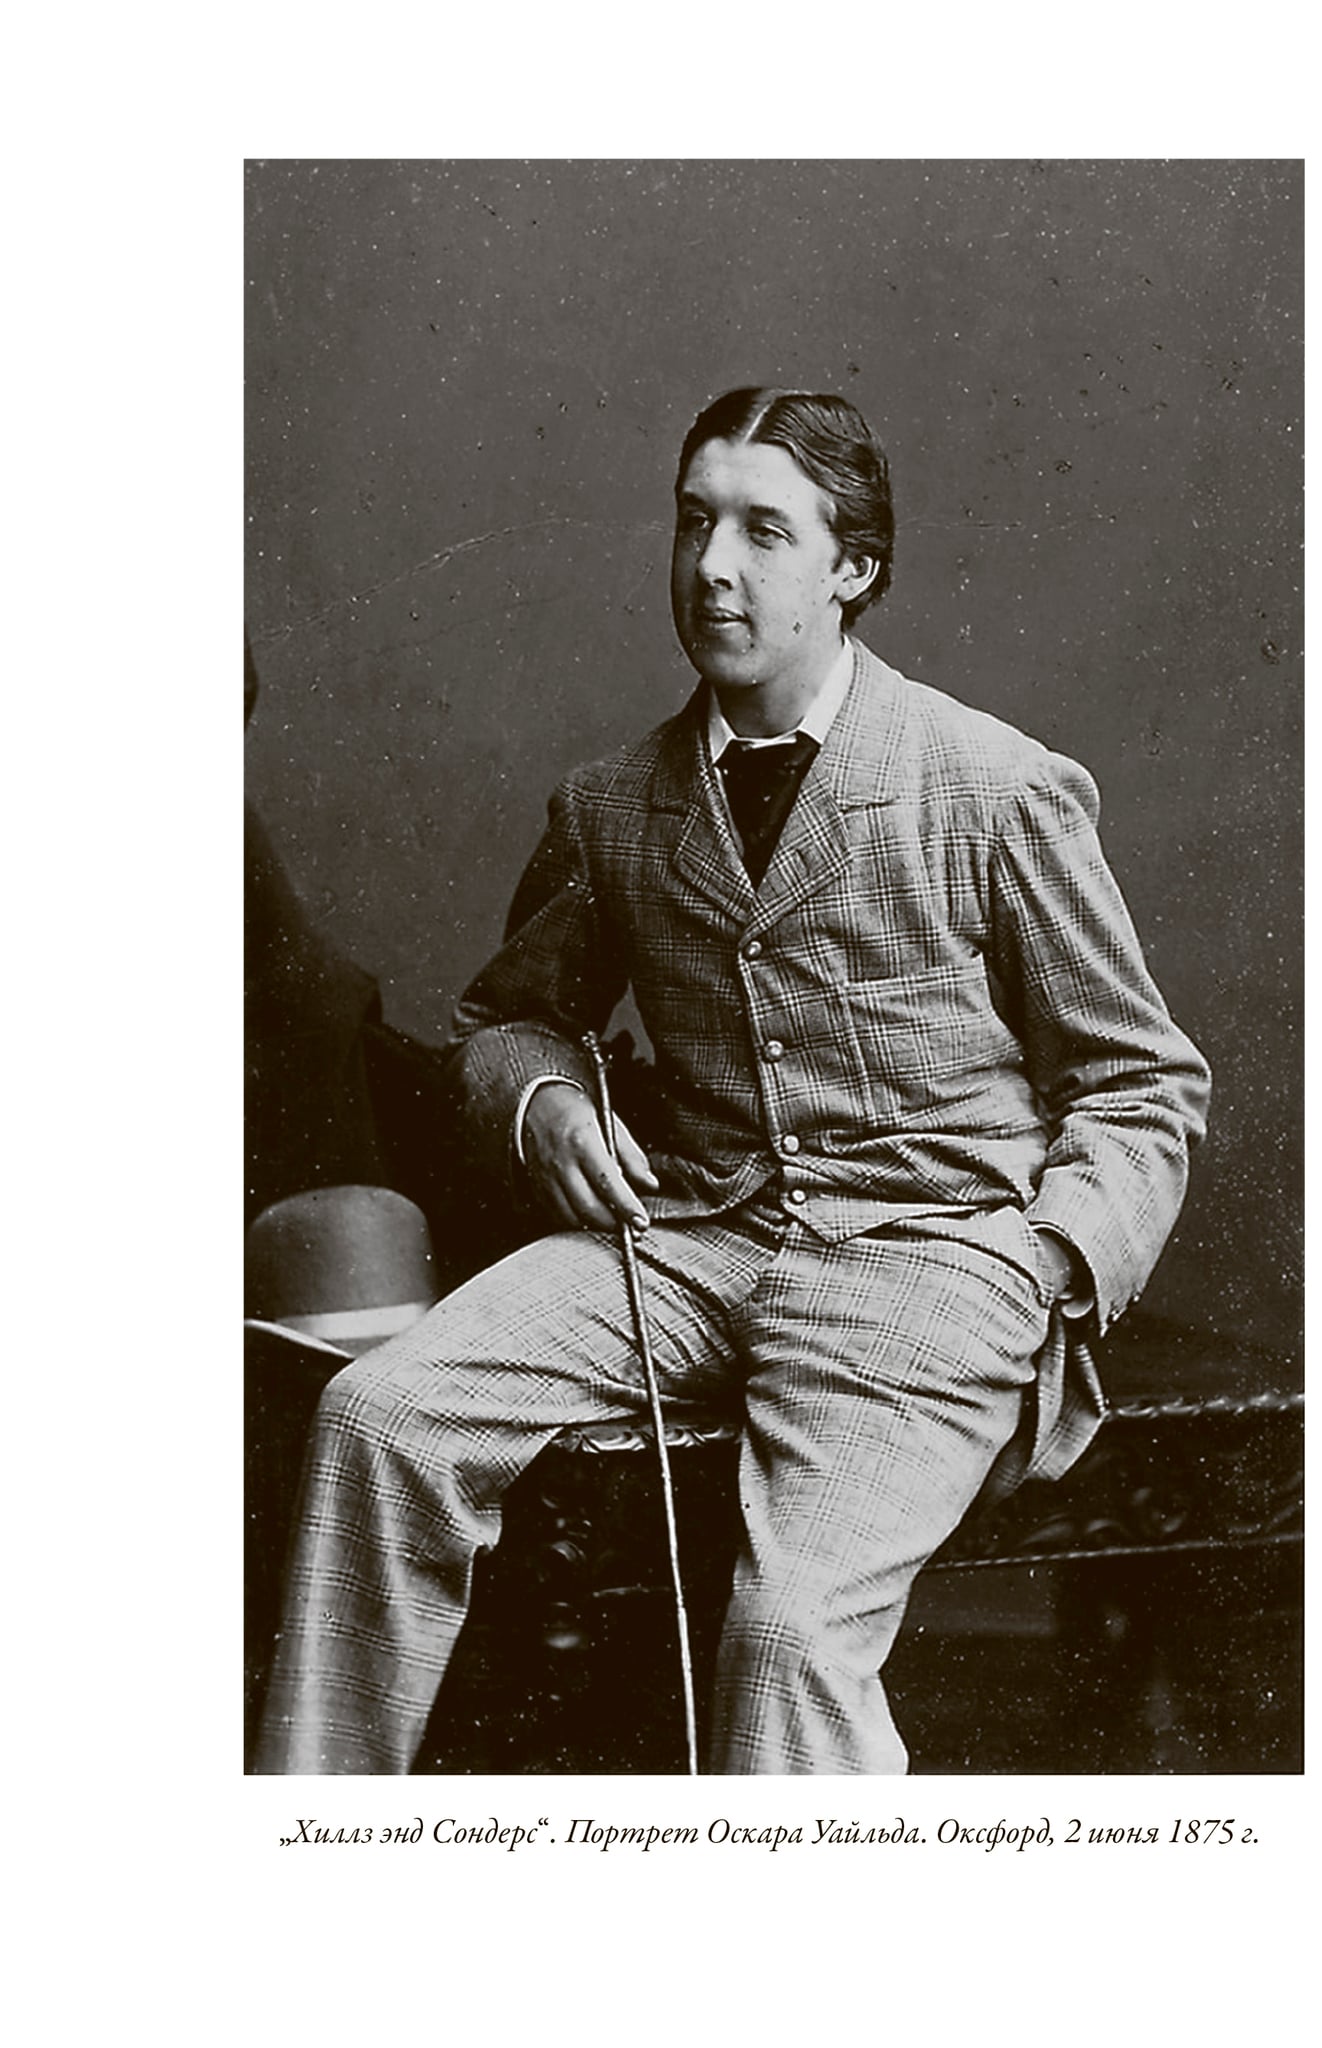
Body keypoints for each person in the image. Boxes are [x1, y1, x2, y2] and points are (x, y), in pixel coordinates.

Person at [254, 388, 1210, 1776]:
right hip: (691, 1244)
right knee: (378, 1419)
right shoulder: (613, 804)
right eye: (694, 522)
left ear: (853, 568)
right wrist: (544, 1102)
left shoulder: (992, 785)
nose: (713, 567)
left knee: (784, 1639)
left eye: (765, 531)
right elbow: (507, 1020)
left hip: (927, 1264)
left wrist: (1048, 1261)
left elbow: (1140, 1087)